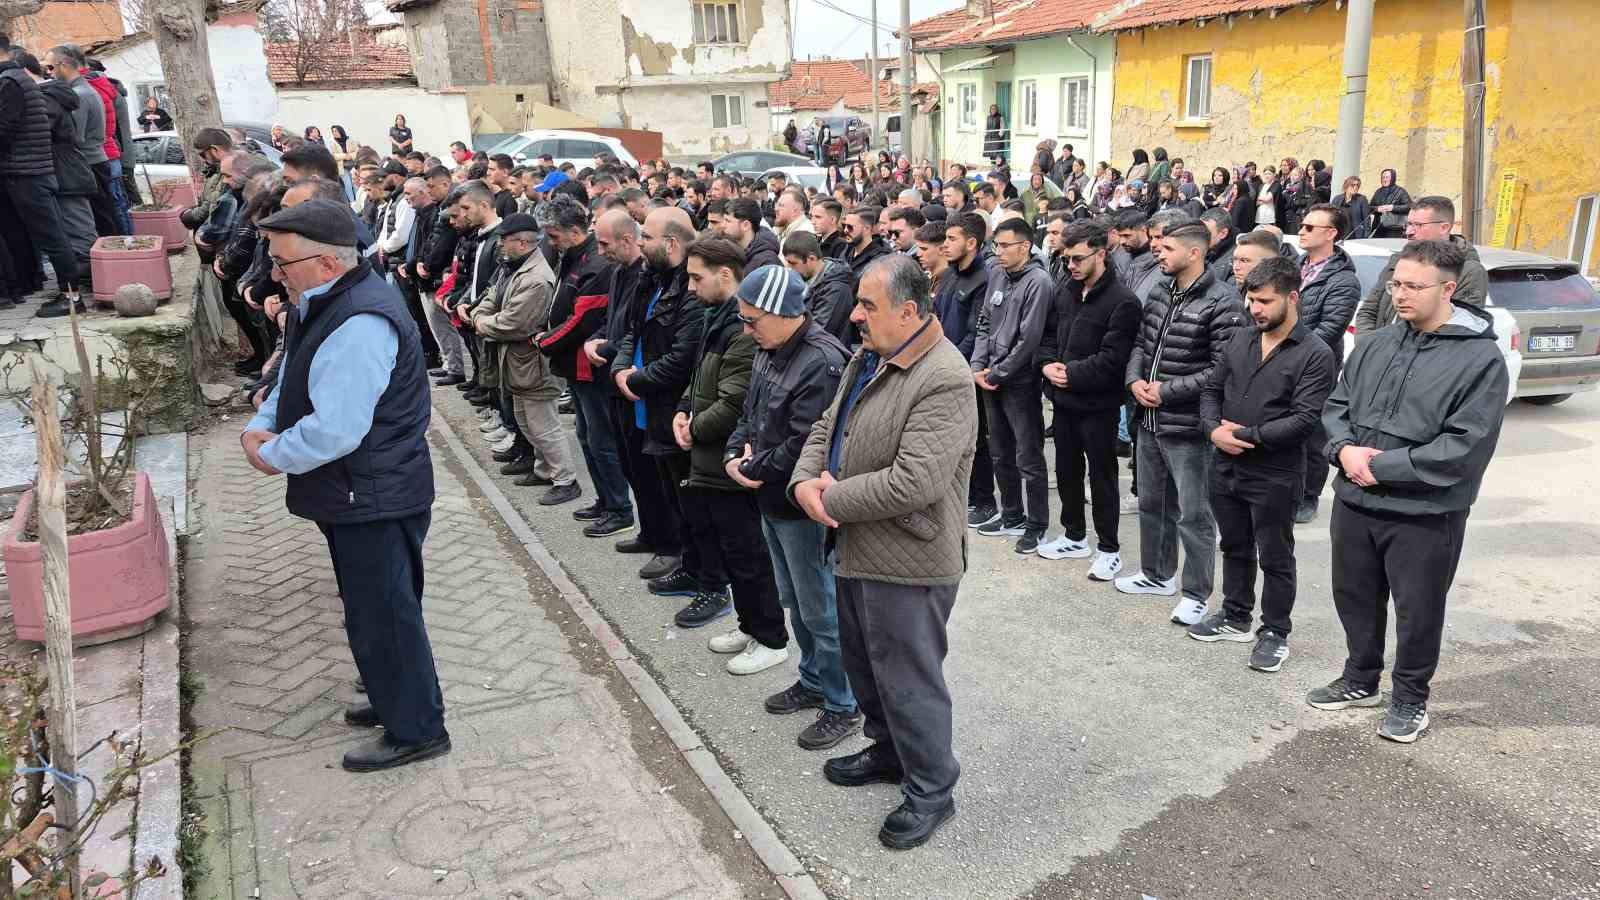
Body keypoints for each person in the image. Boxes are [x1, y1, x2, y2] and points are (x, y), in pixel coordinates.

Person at [240, 199, 448, 771]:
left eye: (283, 263)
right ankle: (394, 699)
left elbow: (337, 427)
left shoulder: (360, 320)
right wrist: (263, 424)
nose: (275, 274)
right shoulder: (323, 301)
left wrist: (274, 454)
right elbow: (296, 378)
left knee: (386, 614)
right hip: (360, 489)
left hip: (374, 492)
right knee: (372, 610)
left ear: (327, 263)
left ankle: (417, 729)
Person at [789, 254, 976, 850]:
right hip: (856, 544)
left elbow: (915, 482)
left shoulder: (944, 376)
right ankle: (890, 752)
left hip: (910, 557)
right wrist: (803, 481)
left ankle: (931, 788)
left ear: (910, 311)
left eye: (868, 305)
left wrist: (832, 496)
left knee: (909, 679)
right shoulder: (873, 355)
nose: (854, 315)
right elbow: (827, 426)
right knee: (867, 666)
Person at [1312, 238, 1508, 743]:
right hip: (1356, 499)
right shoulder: (1376, 343)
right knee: (1354, 594)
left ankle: (1410, 697)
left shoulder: (1479, 358)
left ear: (1448, 288)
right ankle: (1360, 678)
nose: (1400, 294)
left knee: (1418, 610)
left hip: (1425, 510)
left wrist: (1386, 467)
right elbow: (1338, 405)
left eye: (1413, 286)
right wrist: (1344, 451)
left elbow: (1467, 445)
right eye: (1396, 283)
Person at [1191, 256, 1335, 672]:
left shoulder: (1314, 354)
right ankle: (1235, 614)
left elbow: (1304, 420)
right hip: (1225, 464)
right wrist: (1212, 429)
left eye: (1264, 301)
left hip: (1275, 472)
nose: (1255, 309)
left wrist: (1244, 437)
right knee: (1234, 545)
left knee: (1275, 555)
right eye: (1251, 299)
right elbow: (1211, 388)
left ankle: (1274, 631)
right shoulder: (1241, 338)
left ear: (1292, 298)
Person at [1119, 221, 1246, 625]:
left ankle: (1196, 592)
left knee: (1194, 513)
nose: (1158, 252)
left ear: (1195, 252)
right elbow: (1141, 342)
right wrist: (1135, 380)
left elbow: (1220, 369)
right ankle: (1156, 574)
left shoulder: (1222, 302)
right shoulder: (1160, 289)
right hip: (1148, 417)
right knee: (1153, 503)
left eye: (1167, 247)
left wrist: (1167, 391)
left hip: (1188, 424)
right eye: (1158, 245)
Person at [667, 238, 788, 659]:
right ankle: (749, 623)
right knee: (732, 551)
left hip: (731, 460)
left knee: (748, 554)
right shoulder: (716, 316)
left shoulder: (741, 326)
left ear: (724, 275)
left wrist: (693, 429)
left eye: (697, 278)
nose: (690, 287)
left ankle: (771, 637)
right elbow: (700, 375)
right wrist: (684, 409)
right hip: (710, 455)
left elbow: (734, 400)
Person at [1035, 219, 1140, 578]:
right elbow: (1048, 334)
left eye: (1078, 259)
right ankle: (1074, 535)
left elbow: (1114, 359)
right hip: (1063, 402)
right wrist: (1048, 364)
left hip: (1098, 406)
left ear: (1101, 253)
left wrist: (1071, 373)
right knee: (1065, 471)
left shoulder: (1123, 301)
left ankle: (1108, 548)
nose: (1071, 265)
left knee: (1102, 478)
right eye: (1067, 259)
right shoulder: (1066, 289)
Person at [613, 208, 707, 601]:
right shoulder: (649, 279)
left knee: (687, 500)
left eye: (646, 237)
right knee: (660, 486)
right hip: (643, 404)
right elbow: (631, 330)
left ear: (670, 243)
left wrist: (634, 379)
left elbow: (682, 358)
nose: (639, 243)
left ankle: (697, 570)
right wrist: (621, 367)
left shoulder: (692, 289)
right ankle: (681, 559)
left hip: (672, 408)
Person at [588, 209, 679, 579]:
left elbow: (638, 331)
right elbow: (622, 325)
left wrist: (610, 350)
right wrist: (608, 346)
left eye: (605, 243)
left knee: (655, 473)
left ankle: (670, 546)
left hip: (645, 386)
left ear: (628, 240)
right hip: (621, 379)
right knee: (633, 467)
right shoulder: (627, 272)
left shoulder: (652, 275)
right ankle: (651, 532)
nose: (600, 250)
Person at [970, 218, 1053, 553]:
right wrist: (978, 365)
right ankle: (1012, 513)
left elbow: (1029, 338)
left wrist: (997, 373)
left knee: (1028, 455)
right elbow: (984, 321)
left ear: (1025, 246)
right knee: (999, 450)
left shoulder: (1039, 282)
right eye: (997, 245)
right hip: (991, 377)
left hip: (1019, 382)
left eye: (1005, 246)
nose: (998, 251)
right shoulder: (998, 275)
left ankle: (1037, 524)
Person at [1291, 203, 1363, 523]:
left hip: (1315, 365)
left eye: (1310, 228)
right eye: (1302, 226)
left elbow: (1329, 329)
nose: (1302, 232)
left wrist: (1290, 351)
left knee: (1312, 434)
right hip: (1282, 359)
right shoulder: (1294, 266)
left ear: (1331, 234)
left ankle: (1309, 496)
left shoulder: (1343, 280)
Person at [933, 213, 996, 527]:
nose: (945, 245)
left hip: (964, 370)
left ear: (972, 243)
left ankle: (985, 501)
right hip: (942, 364)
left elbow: (976, 332)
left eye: (952, 239)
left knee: (976, 439)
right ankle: (965, 495)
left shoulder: (984, 279)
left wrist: (950, 362)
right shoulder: (949, 275)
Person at [1355, 195, 1488, 334]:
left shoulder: (1467, 271)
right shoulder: (1398, 260)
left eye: (1417, 225)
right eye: (1408, 224)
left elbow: (1456, 330)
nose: (1408, 232)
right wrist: (1369, 347)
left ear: (1444, 228)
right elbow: (1368, 310)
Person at [782, 231, 855, 344]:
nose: (788, 268)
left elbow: (818, 331)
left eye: (793, 263)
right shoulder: (805, 278)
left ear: (811, 259)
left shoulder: (836, 288)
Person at [842, 206, 889, 287]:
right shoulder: (847, 249)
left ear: (867, 229)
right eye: (844, 226)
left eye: (850, 227)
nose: (845, 230)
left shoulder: (879, 259)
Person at [1369, 168, 1411, 238]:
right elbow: (1370, 207)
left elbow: (1409, 207)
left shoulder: (1400, 191)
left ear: (1393, 178)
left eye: (1387, 177)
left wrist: (1393, 208)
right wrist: (1377, 209)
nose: (1384, 180)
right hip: (1378, 226)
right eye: (1383, 177)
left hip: (1394, 228)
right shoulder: (1378, 192)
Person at [1331, 176, 1370, 240]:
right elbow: (1332, 216)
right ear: (1346, 186)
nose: (1355, 187)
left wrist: (1366, 236)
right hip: (1340, 233)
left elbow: (1367, 219)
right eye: (1353, 185)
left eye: (1357, 185)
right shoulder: (1337, 199)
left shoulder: (1362, 199)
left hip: (1355, 234)